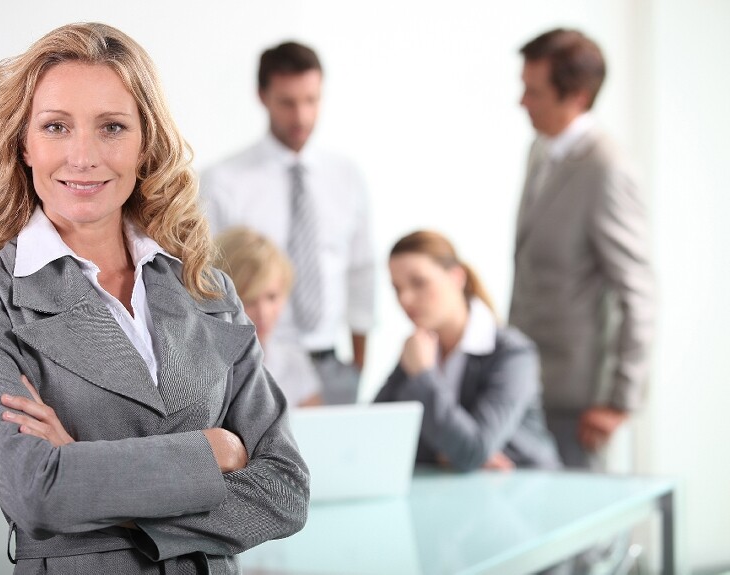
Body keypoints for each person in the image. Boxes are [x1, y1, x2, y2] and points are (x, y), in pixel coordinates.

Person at [0, 23, 308, 574]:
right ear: (25, 144)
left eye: (111, 127)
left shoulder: (205, 287)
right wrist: (217, 453)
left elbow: (285, 491)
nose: (83, 156)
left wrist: (91, 478)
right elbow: (37, 492)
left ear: (145, 143)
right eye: (56, 126)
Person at [510, 28, 655, 471]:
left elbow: (639, 293)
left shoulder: (606, 169)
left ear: (575, 97)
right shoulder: (541, 150)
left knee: (585, 533)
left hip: (579, 402)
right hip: (530, 386)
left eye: (533, 92)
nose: (522, 102)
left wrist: (618, 401)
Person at [200, 40, 374, 404]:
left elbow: (361, 272)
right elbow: (205, 282)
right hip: (258, 362)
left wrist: (358, 366)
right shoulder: (223, 181)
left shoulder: (347, 176)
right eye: (288, 102)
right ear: (262, 96)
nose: (302, 117)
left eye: (312, 100)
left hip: (332, 363)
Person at [374, 231, 560, 472]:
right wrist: (449, 452)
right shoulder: (420, 349)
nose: (405, 299)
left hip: (528, 489)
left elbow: (472, 450)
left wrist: (423, 376)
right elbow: (377, 435)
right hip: (463, 493)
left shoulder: (513, 354)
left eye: (418, 283)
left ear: (456, 277)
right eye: (397, 288)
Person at [214, 227, 323, 408]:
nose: (263, 313)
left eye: (272, 297)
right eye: (249, 300)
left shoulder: (294, 362)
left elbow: (319, 429)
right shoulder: (205, 368)